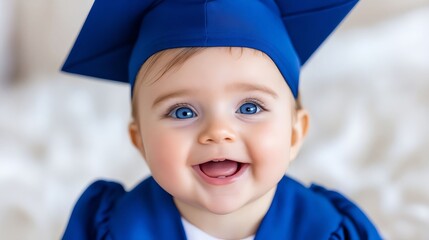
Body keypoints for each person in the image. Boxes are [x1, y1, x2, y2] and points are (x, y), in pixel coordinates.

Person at [61, 0, 382, 239]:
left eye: (250, 107)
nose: (218, 132)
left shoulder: (329, 231)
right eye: (182, 111)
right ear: (140, 140)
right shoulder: (111, 229)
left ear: (295, 134)